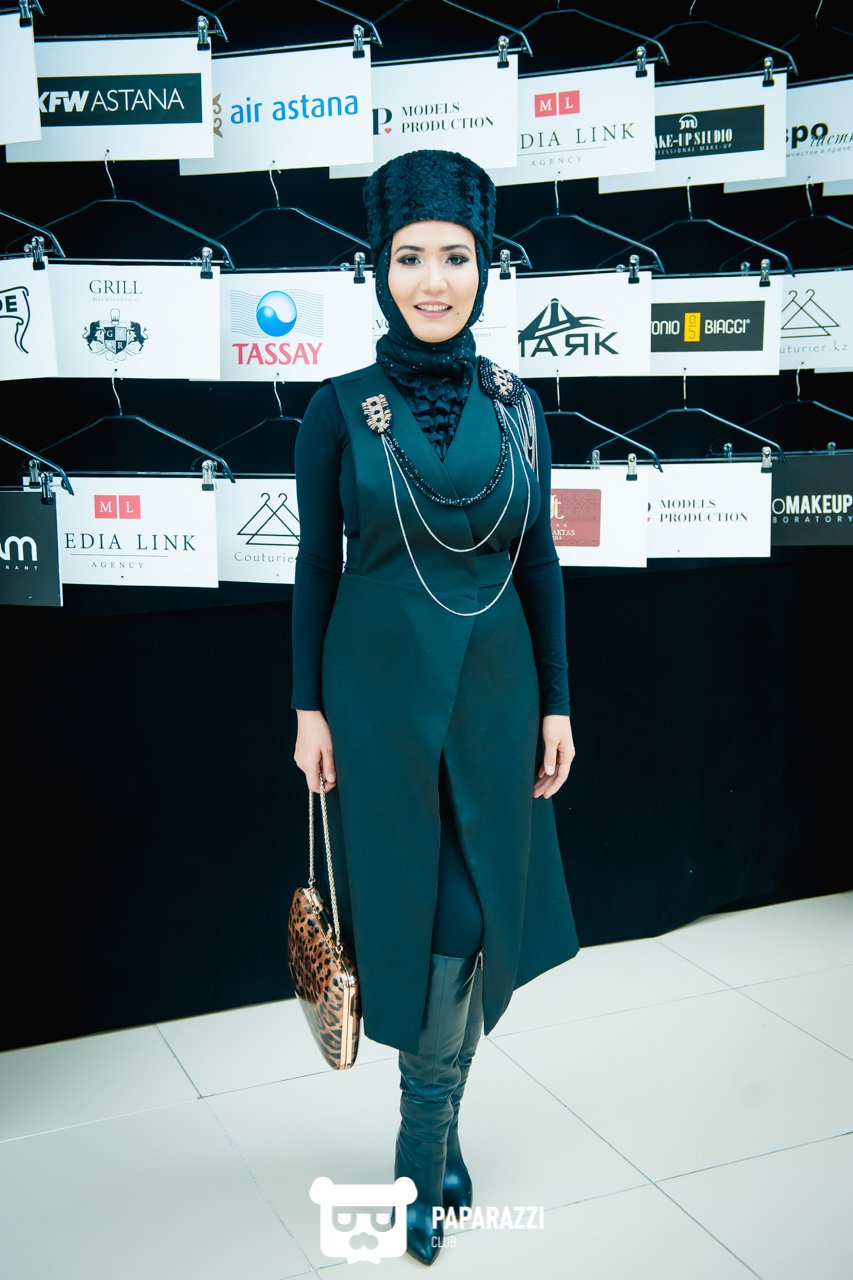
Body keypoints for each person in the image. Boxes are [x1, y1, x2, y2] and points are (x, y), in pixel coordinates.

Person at [292, 148, 580, 1265]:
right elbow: (315, 566)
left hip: (499, 696)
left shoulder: (518, 405)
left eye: (454, 257)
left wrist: (557, 701)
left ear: (483, 266)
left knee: (475, 921)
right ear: (380, 268)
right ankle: (425, 1153)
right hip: (376, 701)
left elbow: (539, 558)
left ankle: (430, 1133)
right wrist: (307, 708)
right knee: (422, 921)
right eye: (409, 257)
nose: (432, 280)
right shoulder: (336, 410)